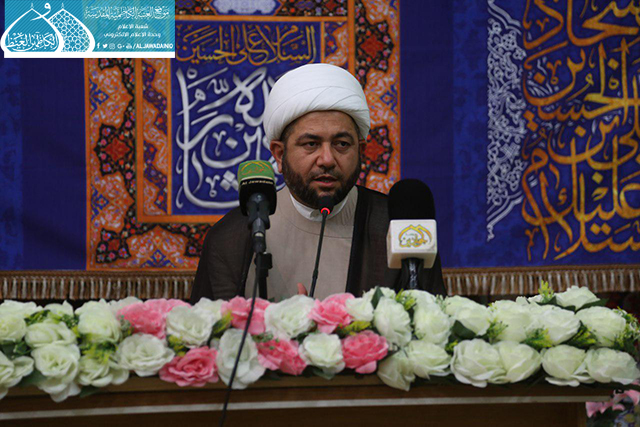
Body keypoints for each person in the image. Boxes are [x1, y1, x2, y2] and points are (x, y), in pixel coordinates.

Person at [190, 63, 445, 302]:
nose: (327, 160)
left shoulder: (398, 228)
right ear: (279, 154)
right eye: (311, 144)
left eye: (341, 144)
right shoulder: (233, 237)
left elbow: (430, 326)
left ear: (361, 151)